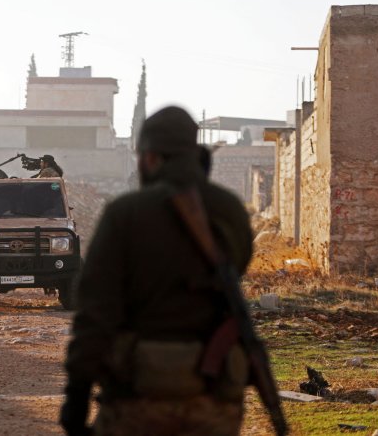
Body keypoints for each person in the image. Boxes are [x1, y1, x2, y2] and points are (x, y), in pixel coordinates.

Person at [60, 106, 254, 436]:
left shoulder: (125, 214)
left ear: (150, 158)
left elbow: (95, 313)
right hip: (213, 397)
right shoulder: (229, 210)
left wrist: (77, 395)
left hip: (138, 398)